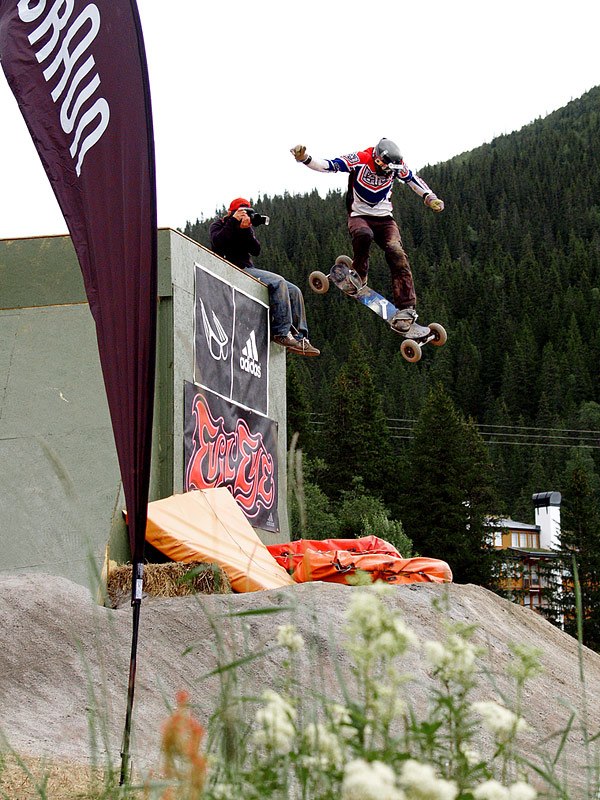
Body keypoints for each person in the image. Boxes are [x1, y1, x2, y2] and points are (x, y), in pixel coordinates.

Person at [290, 138, 444, 332]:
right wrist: (305, 158)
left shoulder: (396, 166)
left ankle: (406, 308)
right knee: (363, 234)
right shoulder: (361, 159)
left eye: (391, 170)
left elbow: (413, 180)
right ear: (378, 159)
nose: (387, 172)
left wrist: (430, 197)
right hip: (359, 216)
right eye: (385, 167)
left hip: (385, 219)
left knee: (396, 252)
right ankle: (359, 275)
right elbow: (328, 165)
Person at [210, 198, 320, 356]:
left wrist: (246, 230)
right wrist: (233, 222)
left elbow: (256, 250)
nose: (245, 216)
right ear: (231, 212)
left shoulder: (246, 228)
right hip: (232, 269)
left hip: (247, 269)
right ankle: (281, 332)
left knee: (294, 291)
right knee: (278, 281)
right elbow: (218, 243)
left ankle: (300, 338)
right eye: (241, 212)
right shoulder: (219, 225)